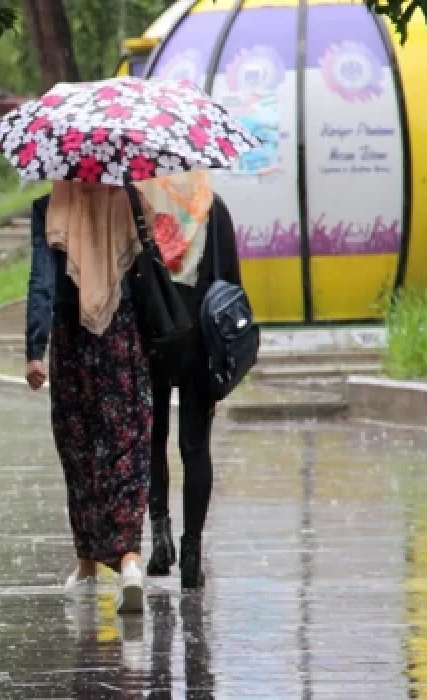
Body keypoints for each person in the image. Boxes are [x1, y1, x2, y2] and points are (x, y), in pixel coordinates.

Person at [24, 181, 153, 615]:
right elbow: (148, 270)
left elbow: (42, 281)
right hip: (123, 339)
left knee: (80, 452)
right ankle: (131, 560)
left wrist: (33, 350)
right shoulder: (131, 202)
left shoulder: (50, 208)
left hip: (71, 342)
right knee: (128, 448)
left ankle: (88, 567)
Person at [137, 172, 242, 590]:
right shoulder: (213, 208)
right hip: (200, 340)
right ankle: (193, 552)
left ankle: (161, 543)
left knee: (152, 441)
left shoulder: (142, 207)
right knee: (195, 447)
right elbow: (231, 285)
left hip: (152, 338)